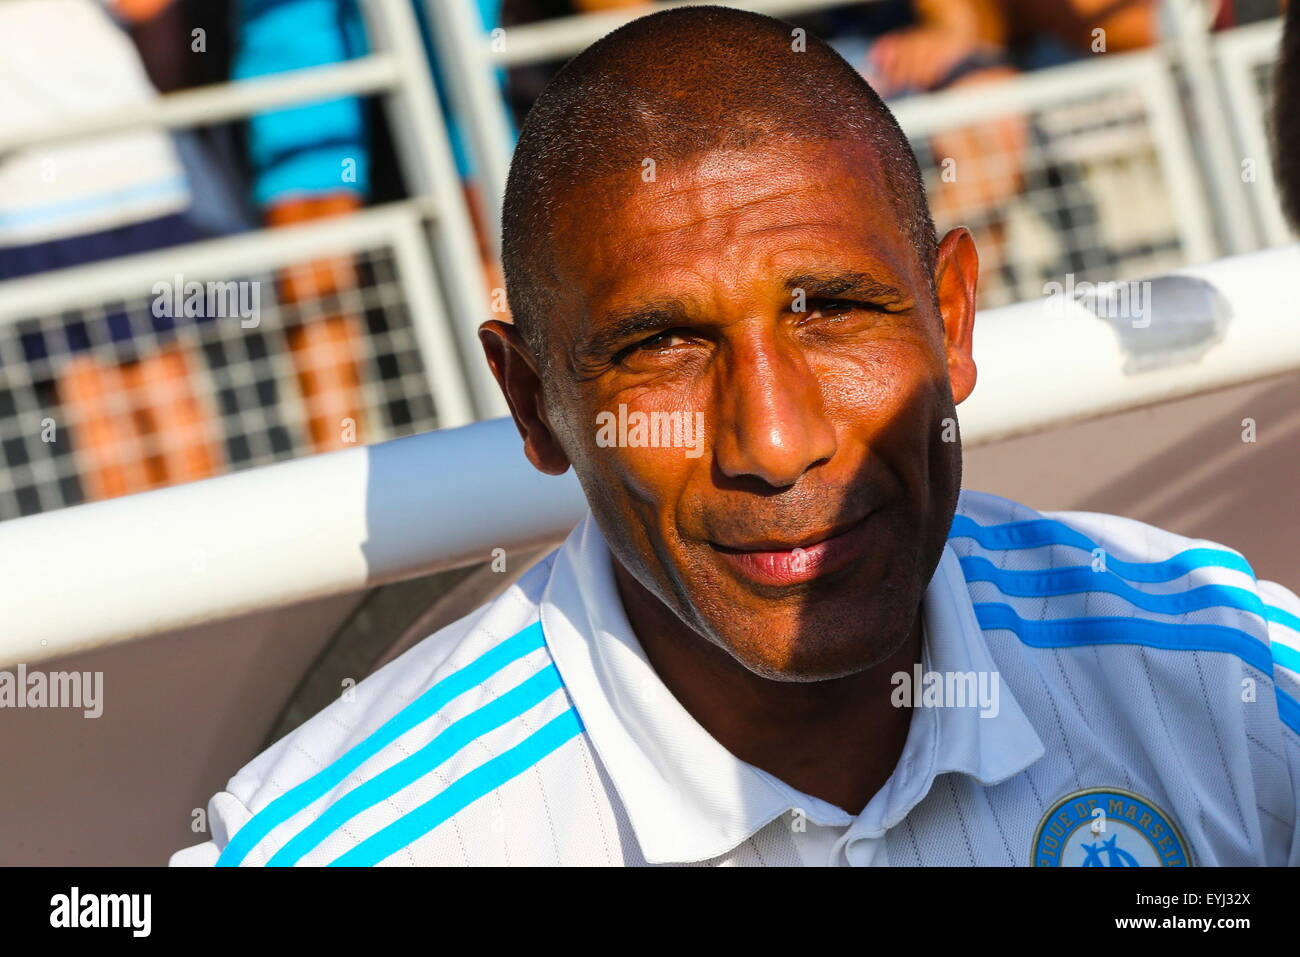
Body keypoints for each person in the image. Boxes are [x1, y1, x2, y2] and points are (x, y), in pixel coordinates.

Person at [173, 5, 1300, 867]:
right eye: (661, 345)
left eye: (832, 311)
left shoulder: (1225, 670)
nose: (772, 439)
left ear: (951, 321)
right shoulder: (335, 847)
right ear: (533, 404)